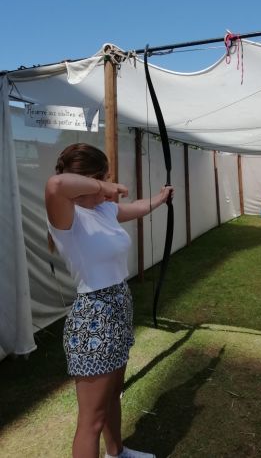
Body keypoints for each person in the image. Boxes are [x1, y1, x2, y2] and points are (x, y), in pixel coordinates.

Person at [45, 143, 173, 458]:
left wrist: (160, 197)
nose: (106, 189)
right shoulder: (66, 214)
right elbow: (56, 184)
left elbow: (138, 208)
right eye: (100, 179)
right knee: (91, 419)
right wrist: (105, 185)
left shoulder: (103, 209)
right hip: (93, 320)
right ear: (87, 180)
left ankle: (117, 453)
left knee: (113, 394)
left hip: (117, 309)